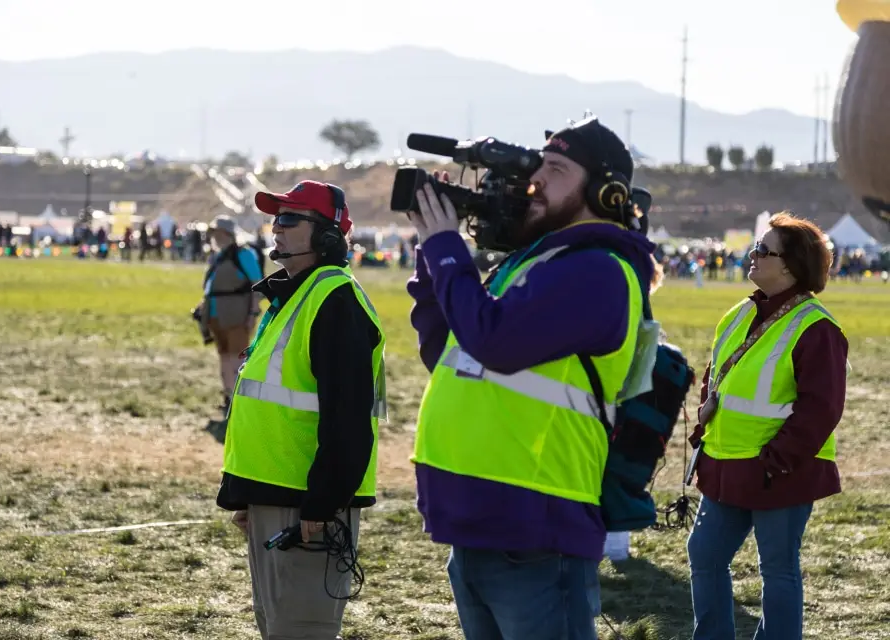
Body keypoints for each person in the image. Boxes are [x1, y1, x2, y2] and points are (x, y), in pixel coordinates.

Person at [406, 116, 658, 640]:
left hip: (535, 525)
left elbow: (494, 341)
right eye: (538, 166)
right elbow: (452, 353)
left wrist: (449, 251)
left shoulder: (599, 269)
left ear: (605, 191)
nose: (535, 180)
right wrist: (431, 260)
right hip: (485, 522)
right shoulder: (537, 262)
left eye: (557, 168)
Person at [216, 180, 386, 640]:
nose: (277, 228)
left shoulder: (335, 300)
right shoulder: (291, 298)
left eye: (291, 219)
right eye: (276, 218)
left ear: (329, 235)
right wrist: (242, 491)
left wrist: (325, 501)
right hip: (275, 496)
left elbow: (348, 416)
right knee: (277, 628)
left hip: (307, 505)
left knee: (302, 630)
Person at [686, 212, 847, 640]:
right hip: (724, 462)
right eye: (755, 247)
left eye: (763, 250)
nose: (751, 256)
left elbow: (822, 408)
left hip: (778, 471)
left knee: (776, 568)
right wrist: (704, 426)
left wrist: (775, 461)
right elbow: (715, 374)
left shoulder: (818, 327)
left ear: (791, 266)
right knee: (704, 554)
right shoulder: (740, 312)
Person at [197, 215, 264, 412]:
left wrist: (252, 314)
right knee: (224, 356)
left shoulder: (243, 254)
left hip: (237, 313)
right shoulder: (217, 256)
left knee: (237, 358)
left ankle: (239, 400)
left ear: (227, 234)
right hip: (216, 314)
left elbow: (256, 285)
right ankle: (228, 397)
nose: (214, 237)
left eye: (218, 233)